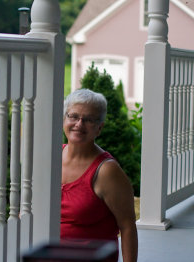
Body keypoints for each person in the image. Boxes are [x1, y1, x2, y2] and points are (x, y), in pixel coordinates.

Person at [60, 88, 138, 262]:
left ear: (99, 128)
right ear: (65, 119)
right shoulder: (52, 158)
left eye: (88, 120)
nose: (79, 124)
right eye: (73, 116)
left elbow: (127, 226)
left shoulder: (107, 171)